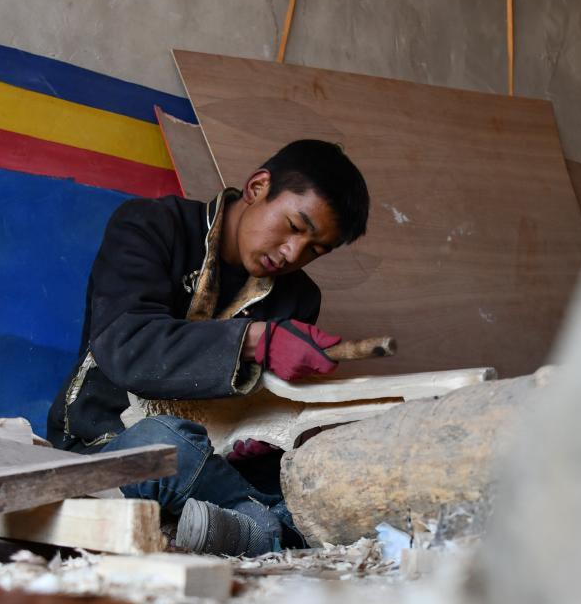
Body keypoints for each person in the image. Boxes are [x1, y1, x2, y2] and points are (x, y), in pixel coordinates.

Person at [47, 139, 370, 556]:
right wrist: (256, 339)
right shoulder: (149, 226)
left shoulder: (300, 299)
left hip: (218, 463)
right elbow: (128, 346)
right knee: (163, 446)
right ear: (257, 187)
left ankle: (241, 522)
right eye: (293, 226)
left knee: (315, 472)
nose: (293, 253)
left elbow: (265, 408)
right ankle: (272, 530)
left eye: (315, 250)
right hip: (104, 440)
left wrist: (262, 432)